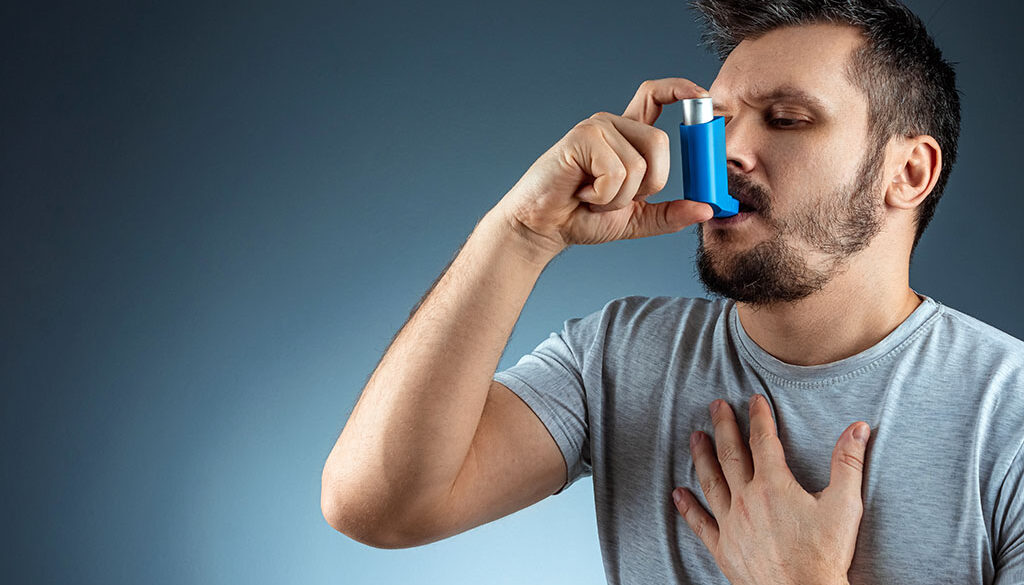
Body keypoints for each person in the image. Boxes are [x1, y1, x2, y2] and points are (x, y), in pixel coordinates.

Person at [321, 1, 1024, 583]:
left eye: (786, 118)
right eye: (716, 121)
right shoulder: (619, 355)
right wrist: (523, 233)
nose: (728, 152)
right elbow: (375, 506)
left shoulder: (1011, 415)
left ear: (907, 172)